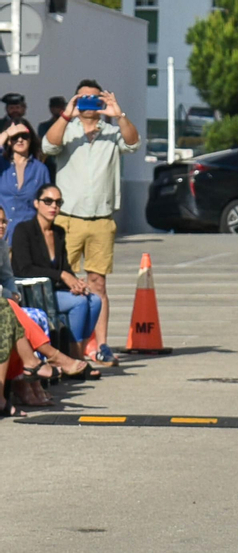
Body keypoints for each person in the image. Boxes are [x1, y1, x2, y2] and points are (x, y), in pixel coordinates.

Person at [41, 80, 141, 366]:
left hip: (101, 219)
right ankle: (64, 345)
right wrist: (66, 113)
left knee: (98, 283)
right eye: (83, 98)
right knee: (62, 282)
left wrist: (118, 114)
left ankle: (101, 345)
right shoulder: (67, 130)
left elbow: (133, 143)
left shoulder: (111, 132)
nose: (89, 104)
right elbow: (48, 145)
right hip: (68, 219)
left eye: (94, 99)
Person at [10, 185, 105, 358]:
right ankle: (75, 358)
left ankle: (77, 351)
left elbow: (65, 267)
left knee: (95, 301)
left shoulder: (58, 232)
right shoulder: (23, 230)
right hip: (35, 293)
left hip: (56, 290)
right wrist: (61, 275)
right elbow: (24, 269)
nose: (53, 206)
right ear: (36, 204)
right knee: (80, 303)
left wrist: (76, 283)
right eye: (48, 201)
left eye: (58, 202)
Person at [1, 124, 49, 244]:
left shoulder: (40, 169)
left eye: (24, 136)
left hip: (28, 239)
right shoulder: (1, 164)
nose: (20, 140)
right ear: (9, 141)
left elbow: (46, 204)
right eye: (15, 137)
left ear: (31, 139)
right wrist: (7, 133)